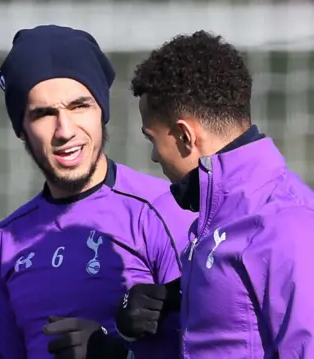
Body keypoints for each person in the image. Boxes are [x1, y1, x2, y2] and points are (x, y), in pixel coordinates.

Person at [0, 25, 196, 359]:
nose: (65, 131)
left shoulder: (164, 210)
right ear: (21, 129)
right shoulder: (4, 240)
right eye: (43, 114)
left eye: (79, 106)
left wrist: (114, 351)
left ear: (102, 112)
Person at [119, 30, 314, 358]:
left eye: (152, 139)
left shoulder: (287, 221)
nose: (154, 157)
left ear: (184, 135)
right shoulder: (214, 222)